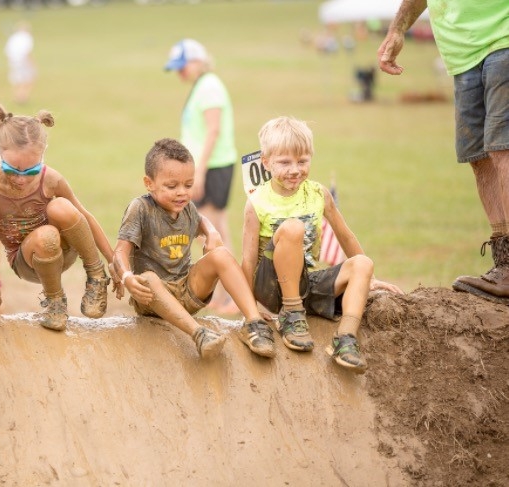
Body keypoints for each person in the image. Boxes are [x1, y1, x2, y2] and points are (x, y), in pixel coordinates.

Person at [242, 116, 403, 373]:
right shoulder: (257, 202)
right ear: (266, 162)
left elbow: (346, 236)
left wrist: (368, 278)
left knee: (363, 263)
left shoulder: (318, 194)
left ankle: (346, 339)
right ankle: (291, 316)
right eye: (285, 162)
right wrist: (249, 310)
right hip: (272, 287)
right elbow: (248, 260)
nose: (295, 169)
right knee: (293, 228)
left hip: (306, 282)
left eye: (302, 161)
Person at [377, 1, 509, 305]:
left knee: (503, 149)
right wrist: (397, 29)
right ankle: (504, 262)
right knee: (478, 156)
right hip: (461, 55)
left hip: (503, 39)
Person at [112, 138, 276, 360]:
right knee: (148, 278)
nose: (182, 192)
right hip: (153, 299)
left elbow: (200, 219)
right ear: (149, 183)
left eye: (188, 185)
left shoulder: (186, 208)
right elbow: (120, 251)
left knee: (221, 255)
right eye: (172, 186)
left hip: (187, 291)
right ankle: (199, 335)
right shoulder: (140, 209)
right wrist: (127, 277)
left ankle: (253, 322)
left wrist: (211, 232)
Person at [0, 103, 113, 330]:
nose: (21, 179)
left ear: (43, 156)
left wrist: (114, 261)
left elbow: (83, 216)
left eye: (31, 171)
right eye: (11, 170)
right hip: (28, 262)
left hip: (65, 251)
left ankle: (96, 276)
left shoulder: (51, 180)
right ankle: (55, 302)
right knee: (46, 235)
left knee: (61, 208)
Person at [164, 38, 238, 314]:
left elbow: (213, 130)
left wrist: (201, 170)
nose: (179, 73)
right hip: (207, 167)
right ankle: (221, 295)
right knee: (212, 230)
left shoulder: (209, 86)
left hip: (214, 167)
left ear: (197, 62)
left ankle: (230, 296)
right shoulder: (202, 86)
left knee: (212, 230)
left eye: (182, 67)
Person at [4, 21, 35, 105]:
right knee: (27, 80)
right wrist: (31, 63)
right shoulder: (26, 38)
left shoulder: (13, 38)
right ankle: (23, 98)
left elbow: (7, 50)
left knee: (17, 80)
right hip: (23, 61)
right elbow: (26, 51)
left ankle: (17, 97)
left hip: (13, 61)